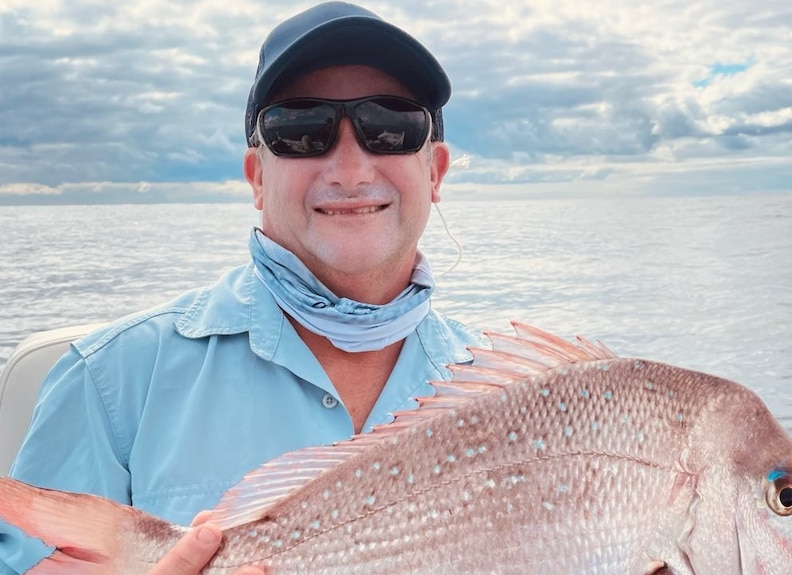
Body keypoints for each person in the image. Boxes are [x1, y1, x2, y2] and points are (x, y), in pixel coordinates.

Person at [0, 2, 483, 574]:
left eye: (392, 126)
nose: (351, 170)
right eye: (301, 130)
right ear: (257, 178)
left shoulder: (514, 392)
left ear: (436, 172)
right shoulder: (111, 382)